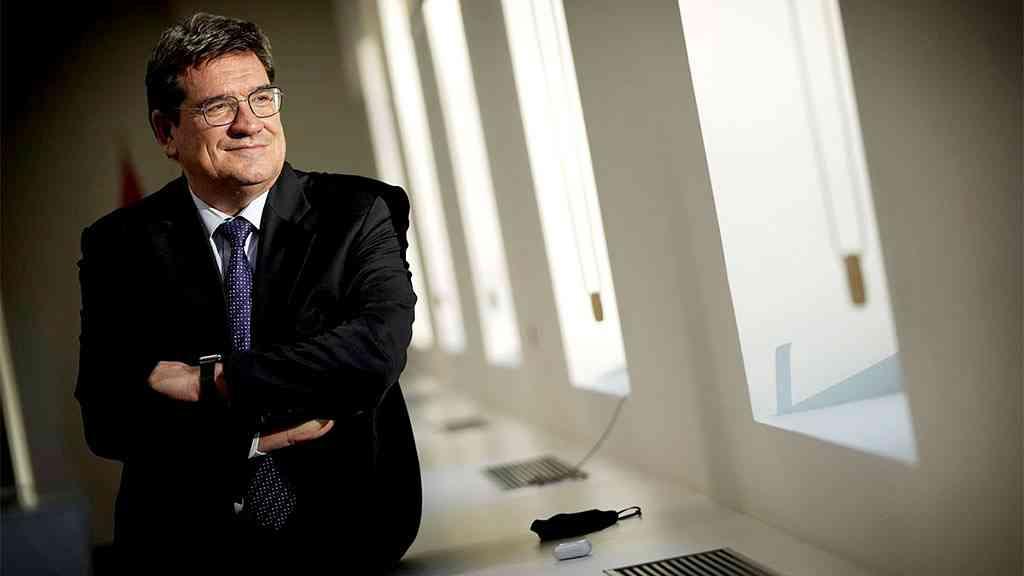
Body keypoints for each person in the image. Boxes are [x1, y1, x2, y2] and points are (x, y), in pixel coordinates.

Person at [75, 12, 421, 571]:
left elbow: (372, 355)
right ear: (166, 132)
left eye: (262, 98)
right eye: (218, 107)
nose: (248, 123)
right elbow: (109, 416)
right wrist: (252, 441)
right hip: (181, 545)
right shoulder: (118, 246)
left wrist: (212, 380)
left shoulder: (359, 213)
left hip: (350, 534)